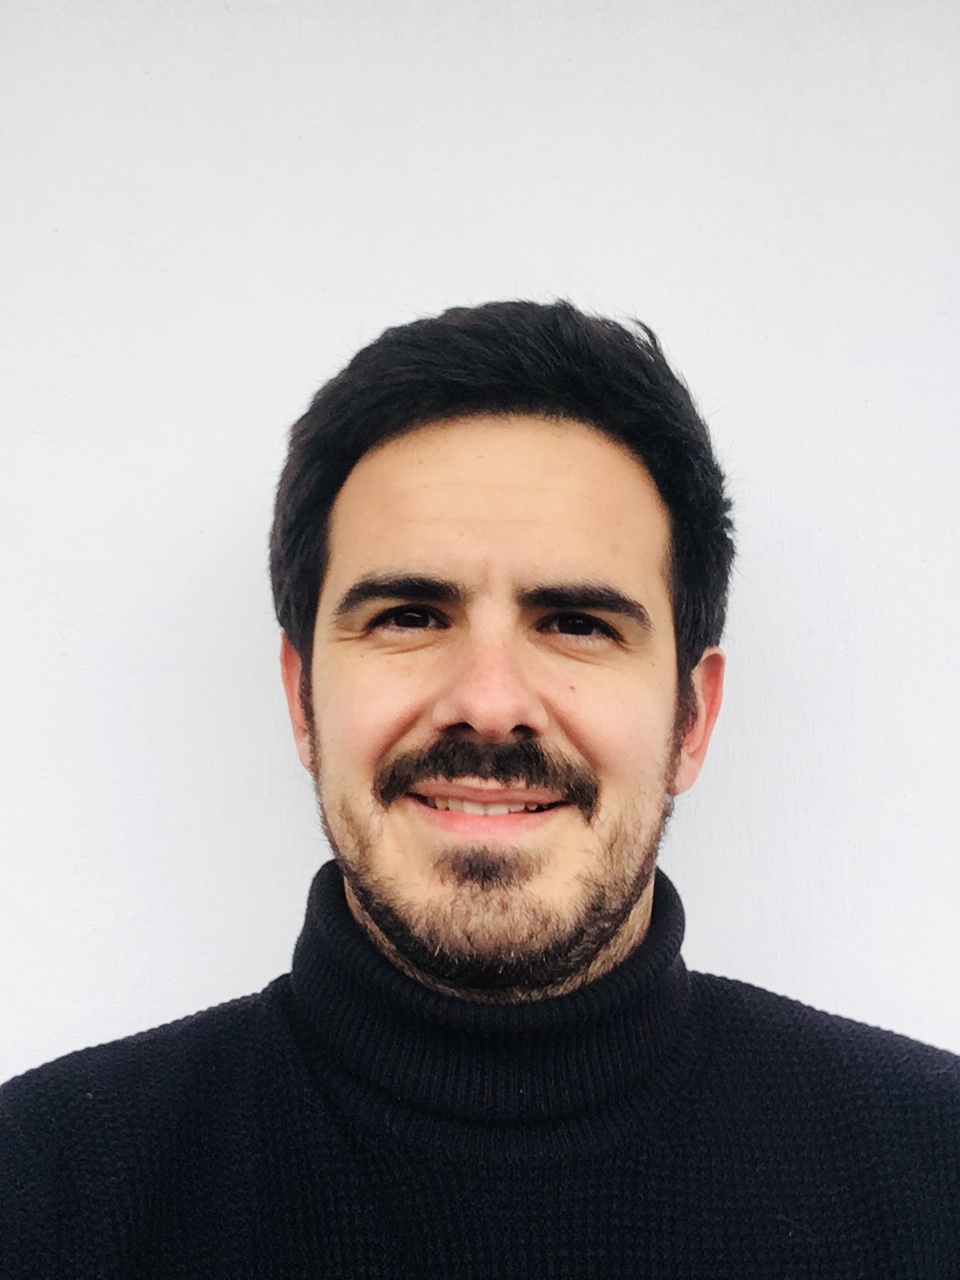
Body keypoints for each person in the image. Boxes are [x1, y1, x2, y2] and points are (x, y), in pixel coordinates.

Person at [1, 301, 957, 1278]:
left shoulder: (935, 1169)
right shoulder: (38, 1189)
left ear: (690, 720)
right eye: (410, 615)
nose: (491, 704)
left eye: (577, 623)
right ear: (302, 700)